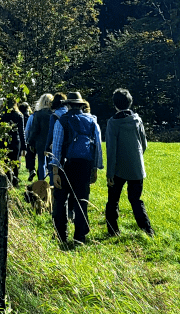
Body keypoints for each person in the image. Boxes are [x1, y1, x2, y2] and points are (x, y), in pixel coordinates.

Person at [48, 92, 103, 246]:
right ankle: (80, 237)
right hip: (85, 165)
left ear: (68, 105)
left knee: (61, 200)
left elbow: (57, 148)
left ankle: (61, 235)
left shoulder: (62, 121)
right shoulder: (92, 121)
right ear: (80, 105)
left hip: (66, 166)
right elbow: (97, 147)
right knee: (82, 201)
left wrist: (55, 172)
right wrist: (95, 168)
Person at [104, 88, 154, 236]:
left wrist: (110, 173)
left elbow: (111, 150)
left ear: (115, 104)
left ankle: (113, 230)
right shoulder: (137, 120)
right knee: (135, 199)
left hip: (118, 168)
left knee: (113, 200)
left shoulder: (113, 123)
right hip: (136, 167)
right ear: (130, 103)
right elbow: (144, 143)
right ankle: (147, 229)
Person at [24, 93, 54, 181]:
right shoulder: (53, 114)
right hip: (51, 142)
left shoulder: (38, 114)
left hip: (40, 143)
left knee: (41, 163)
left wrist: (30, 142)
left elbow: (34, 130)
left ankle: (41, 182)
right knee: (51, 163)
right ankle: (52, 183)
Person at [0, 99, 27, 186]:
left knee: (5, 161)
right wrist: (24, 147)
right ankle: (15, 181)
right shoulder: (19, 115)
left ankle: (7, 180)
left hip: (4, 140)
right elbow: (21, 132)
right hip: (15, 140)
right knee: (15, 162)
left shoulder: (1, 115)